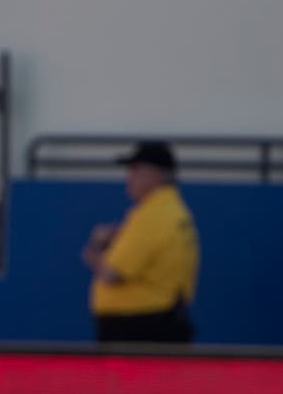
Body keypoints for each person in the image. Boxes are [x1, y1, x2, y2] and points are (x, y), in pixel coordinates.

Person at [83, 141, 199, 343]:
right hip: (155, 322)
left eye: (135, 170)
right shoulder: (172, 210)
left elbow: (114, 273)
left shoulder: (154, 215)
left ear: (156, 175)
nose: (129, 178)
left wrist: (93, 253)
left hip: (138, 328)